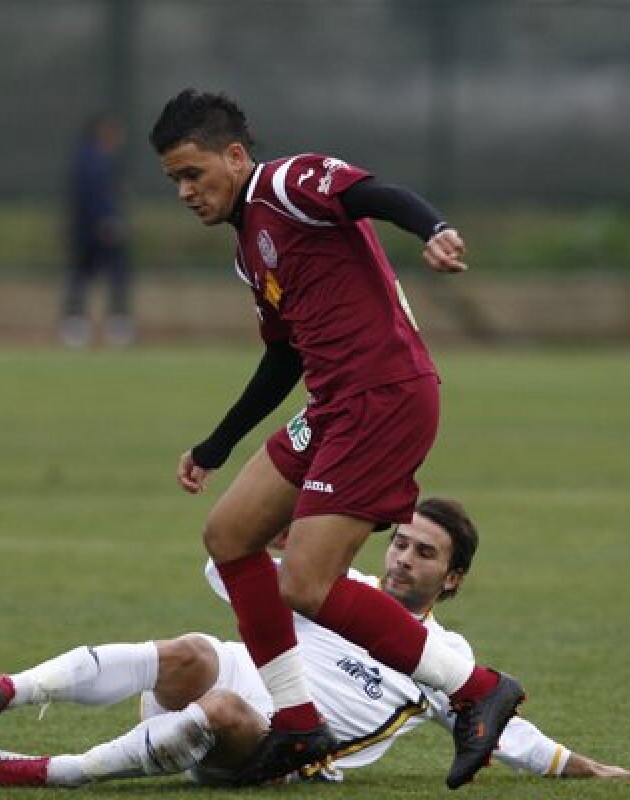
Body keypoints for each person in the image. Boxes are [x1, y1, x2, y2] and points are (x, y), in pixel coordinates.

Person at [147, 88, 522, 787]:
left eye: (193, 173)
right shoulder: (248, 254)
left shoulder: (288, 183)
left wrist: (433, 228)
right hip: (330, 404)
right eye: (173, 179)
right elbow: (285, 355)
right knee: (229, 535)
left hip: (383, 399)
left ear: (235, 155)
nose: (184, 191)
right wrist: (216, 445)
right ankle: (297, 723)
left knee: (306, 583)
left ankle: (478, 689)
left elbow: (377, 195)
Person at [0, 498, 630, 788]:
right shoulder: (333, 582)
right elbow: (219, 569)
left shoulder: (447, 660)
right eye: (400, 542)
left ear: (454, 577)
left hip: (274, 747)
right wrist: (268, 540)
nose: (404, 558)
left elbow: (509, 731)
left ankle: (51, 771)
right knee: (194, 649)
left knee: (224, 705)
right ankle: (7, 691)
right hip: (214, 686)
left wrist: (593, 771)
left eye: (425, 553)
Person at [61, 111, 134, 348]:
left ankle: (76, 327)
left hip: (82, 231)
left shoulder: (85, 158)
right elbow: (94, 197)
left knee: (80, 277)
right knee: (112, 277)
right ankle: (116, 328)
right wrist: (107, 220)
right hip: (97, 230)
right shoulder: (95, 161)